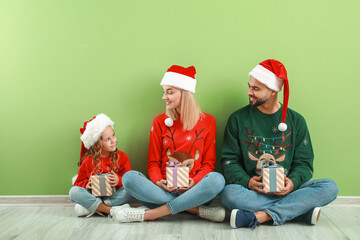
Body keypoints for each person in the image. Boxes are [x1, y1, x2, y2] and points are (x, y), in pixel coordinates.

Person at [220, 59, 338, 229]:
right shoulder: (237, 119)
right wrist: (248, 181)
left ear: (274, 90)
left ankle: (261, 216)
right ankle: (300, 210)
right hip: (253, 191)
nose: (249, 92)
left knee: (329, 187)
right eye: (249, 86)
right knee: (228, 194)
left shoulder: (296, 121)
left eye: (256, 88)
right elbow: (229, 161)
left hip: (288, 189)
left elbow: (304, 163)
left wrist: (292, 183)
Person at [111, 65, 225, 223]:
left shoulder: (207, 121)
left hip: (195, 192)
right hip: (161, 192)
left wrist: (195, 182)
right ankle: (195, 210)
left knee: (217, 179)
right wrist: (159, 181)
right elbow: (152, 163)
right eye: (164, 92)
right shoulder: (159, 122)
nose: (164, 97)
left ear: (184, 93)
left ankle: (150, 214)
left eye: (169, 92)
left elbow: (208, 163)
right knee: (129, 178)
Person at [69, 113, 133, 217]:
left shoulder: (122, 157)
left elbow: (130, 180)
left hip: (113, 197)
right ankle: (109, 210)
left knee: (131, 190)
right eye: (108, 139)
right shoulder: (88, 161)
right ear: (98, 144)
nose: (113, 141)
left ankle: (96, 207)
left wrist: (118, 180)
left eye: (113, 135)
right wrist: (87, 184)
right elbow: (78, 183)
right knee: (73, 192)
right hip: (94, 195)